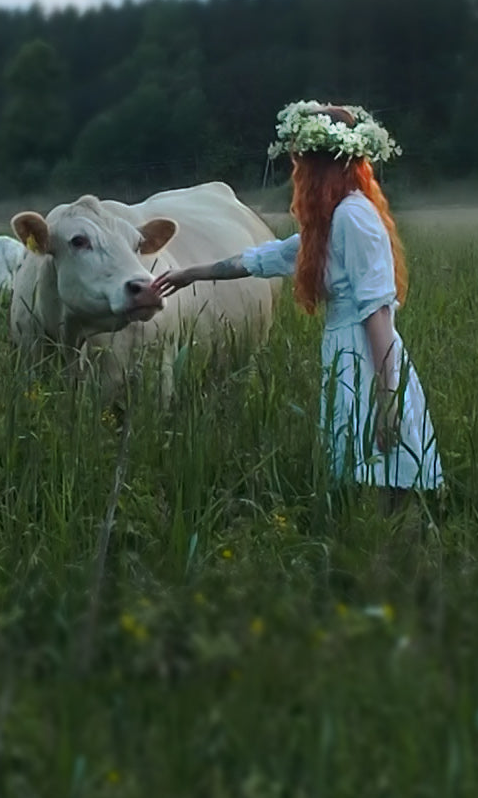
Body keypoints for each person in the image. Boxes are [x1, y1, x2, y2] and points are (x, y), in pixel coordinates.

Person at [151, 100, 442, 512]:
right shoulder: (331, 221)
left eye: (302, 163)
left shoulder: (353, 218)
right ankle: (377, 545)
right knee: (366, 472)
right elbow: (260, 258)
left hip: (368, 359)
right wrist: (190, 273)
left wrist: (387, 399)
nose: (297, 173)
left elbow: (378, 313)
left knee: (382, 467)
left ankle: (392, 550)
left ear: (322, 166)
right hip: (349, 356)